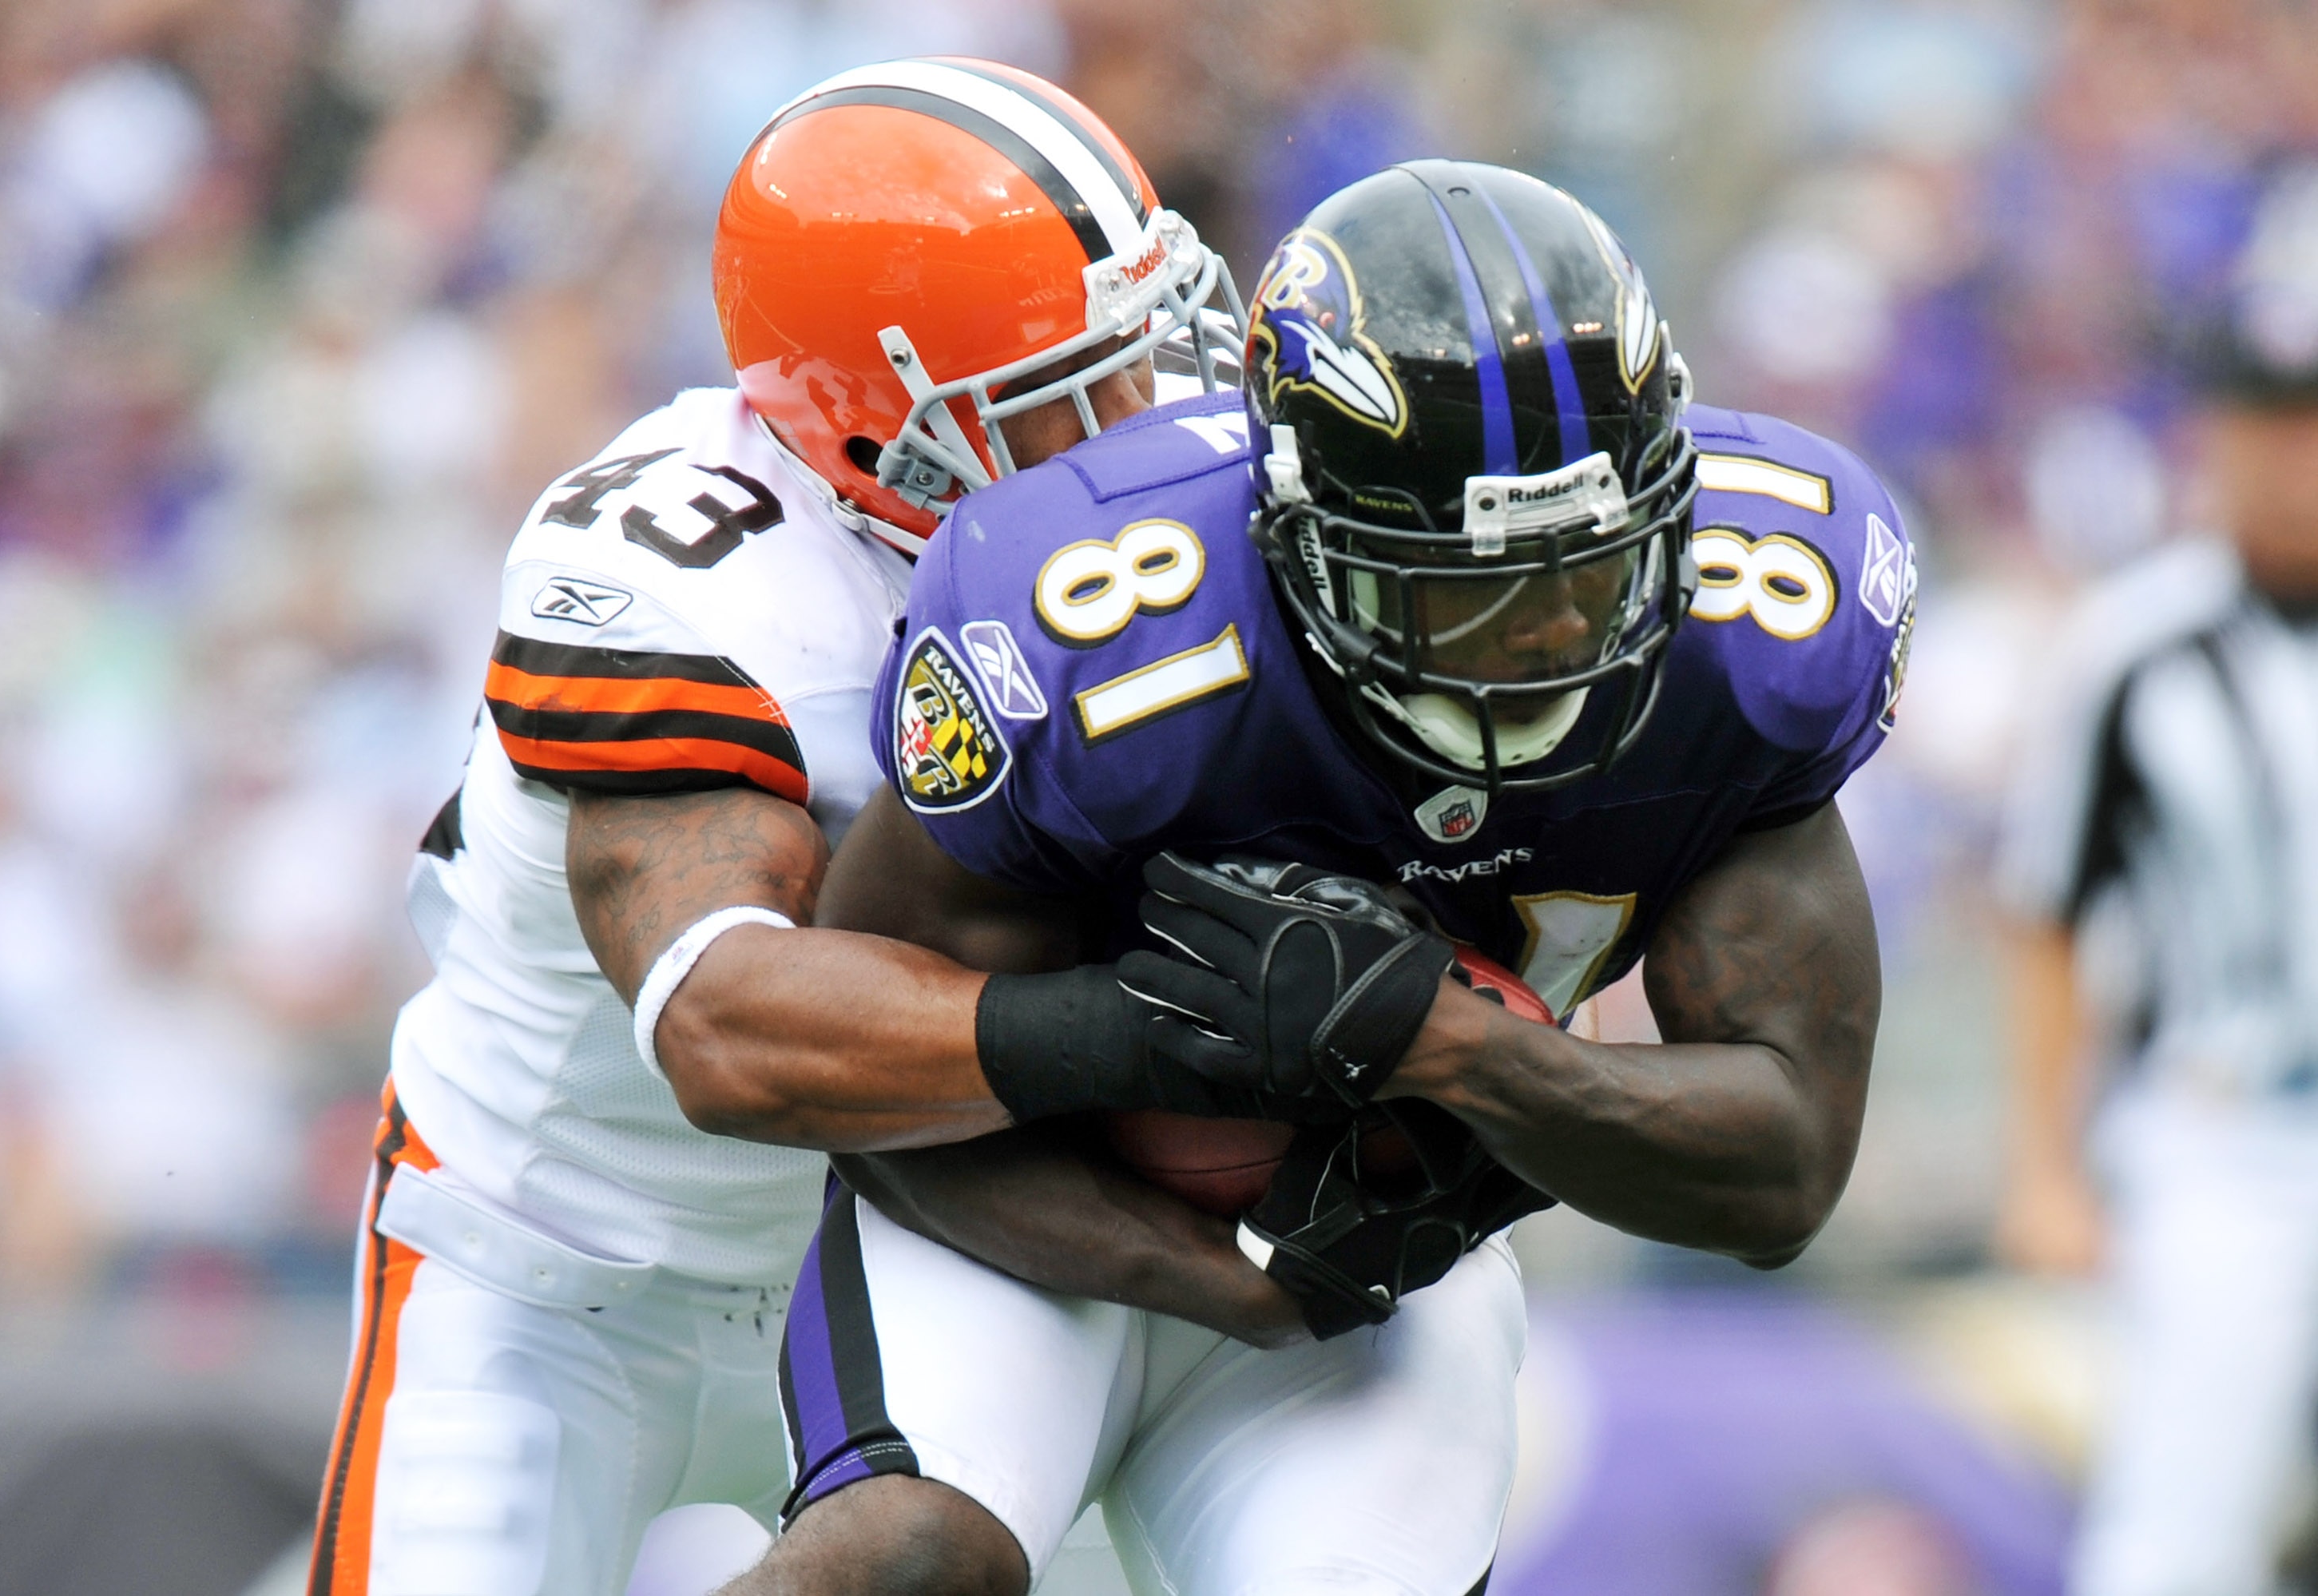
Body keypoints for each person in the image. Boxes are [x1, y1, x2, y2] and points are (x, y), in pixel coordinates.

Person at [734, 160, 1912, 1595]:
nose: (1546, 637)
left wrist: (1457, 1050)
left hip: (1386, 1261)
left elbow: (1785, 1167)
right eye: (1460, 592)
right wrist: (1208, 1255)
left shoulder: (1760, 629)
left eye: (1588, 575)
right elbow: (870, 1082)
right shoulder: (1097, 624)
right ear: (1295, 534)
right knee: (900, 1563)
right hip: (1018, 1205)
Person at [304, 58, 1252, 1596]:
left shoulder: (1159, 515)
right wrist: (1154, 1034)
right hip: (555, 1269)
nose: (1142, 425)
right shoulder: (697, 587)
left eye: (1144, 350)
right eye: (1073, 392)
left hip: (914, 1250)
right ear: (885, 431)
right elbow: (729, 1031)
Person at [1996, 166, 2318, 1596]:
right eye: (2267, 423)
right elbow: (2045, 912)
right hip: (2225, 1133)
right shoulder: (2136, 649)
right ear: (2211, 436)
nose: (2294, 459)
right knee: (2176, 1533)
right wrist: (2045, 1163)